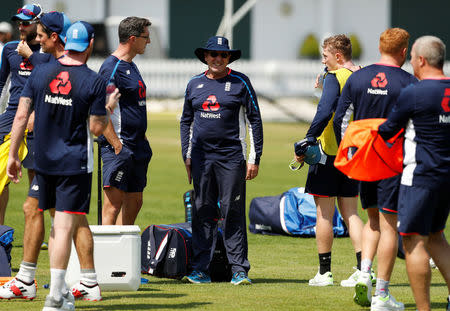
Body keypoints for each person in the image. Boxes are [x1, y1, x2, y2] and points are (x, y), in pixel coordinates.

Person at [6, 21, 118, 310]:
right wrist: (107, 108)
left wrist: (13, 156)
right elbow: (95, 128)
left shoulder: (41, 72)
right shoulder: (94, 81)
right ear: (90, 44)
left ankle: (58, 290)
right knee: (63, 225)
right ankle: (56, 294)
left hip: (42, 160)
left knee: (57, 224)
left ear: (65, 42)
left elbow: (20, 116)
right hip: (74, 163)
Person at [333, 28, 417, 311]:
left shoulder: (357, 77)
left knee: (372, 221)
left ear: (380, 46)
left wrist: (350, 153)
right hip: (394, 161)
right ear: (404, 52)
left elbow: (340, 120)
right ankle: (381, 295)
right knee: (390, 226)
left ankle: (365, 274)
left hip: (365, 159)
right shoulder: (409, 82)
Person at [180, 35, 263, 285]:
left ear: (229, 58)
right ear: (205, 57)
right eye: (213, 54)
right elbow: (186, 121)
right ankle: (200, 270)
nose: (218, 59)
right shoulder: (194, 84)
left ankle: (239, 270)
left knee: (232, 212)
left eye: (223, 55)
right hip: (202, 159)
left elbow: (254, 120)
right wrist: (187, 155)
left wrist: (254, 158)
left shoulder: (240, 82)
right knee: (203, 211)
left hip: (231, 159)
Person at [377, 35, 450, 311]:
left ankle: (423, 309)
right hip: (446, 177)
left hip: (419, 177)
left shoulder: (416, 92)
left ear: (420, 60)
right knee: (436, 237)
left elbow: (388, 130)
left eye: (412, 59)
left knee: (413, 242)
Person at [294, 34, 364, 287]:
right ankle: (362, 270)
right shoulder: (362, 75)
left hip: (328, 152)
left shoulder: (335, 77)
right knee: (352, 214)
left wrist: (307, 139)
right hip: (354, 153)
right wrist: (325, 72)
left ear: (337, 56)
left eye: (325, 57)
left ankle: (324, 273)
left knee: (324, 215)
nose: (323, 61)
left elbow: (324, 111)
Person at [98, 16, 152, 226]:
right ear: (132, 38)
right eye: (145, 37)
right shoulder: (111, 67)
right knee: (112, 206)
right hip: (120, 147)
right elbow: (102, 110)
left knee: (135, 201)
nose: (148, 42)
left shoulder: (132, 66)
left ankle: (124, 251)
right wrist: (117, 145)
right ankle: (105, 256)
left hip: (138, 146)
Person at [0, 3, 44, 225]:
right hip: (10, 118)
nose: (21, 26)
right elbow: (1, 83)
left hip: (39, 120)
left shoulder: (49, 51)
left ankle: (37, 231)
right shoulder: (9, 48)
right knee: (1, 177)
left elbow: (53, 80)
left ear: (38, 23)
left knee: (35, 177)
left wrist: (31, 56)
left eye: (26, 22)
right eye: (19, 22)